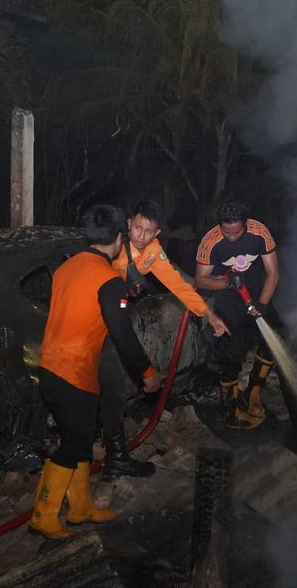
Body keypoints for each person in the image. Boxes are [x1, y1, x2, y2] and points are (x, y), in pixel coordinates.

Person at [29, 204, 161, 540]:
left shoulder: (66, 268)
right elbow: (122, 333)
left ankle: (81, 507)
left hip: (52, 365)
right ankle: (43, 516)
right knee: (72, 445)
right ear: (119, 238)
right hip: (72, 371)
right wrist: (146, 371)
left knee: (82, 439)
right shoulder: (107, 279)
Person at [98, 200, 229, 477]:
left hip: (116, 317)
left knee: (114, 382)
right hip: (95, 315)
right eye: (137, 228)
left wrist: (208, 314)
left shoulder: (153, 252)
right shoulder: (111, 245)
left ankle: (113, 451)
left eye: (148, 232)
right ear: (128, 223)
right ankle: (104, 446)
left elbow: (179, 285)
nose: (141, 236)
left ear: (156, 234)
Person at [195, 201, 281, 430]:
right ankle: (229, 407)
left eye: (236, 231)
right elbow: (201, 279)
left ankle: (254, 391)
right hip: (228, 295)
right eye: (226, 232)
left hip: (258, 290)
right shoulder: (211, 241)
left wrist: (262, 305)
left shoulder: (259, 232)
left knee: (274, 337)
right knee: (232, 347)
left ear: (246, 223)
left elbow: (273, 272)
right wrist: (225, 282)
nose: (231, 237)